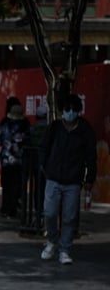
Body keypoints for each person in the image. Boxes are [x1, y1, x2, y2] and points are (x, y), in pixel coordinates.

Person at [39, 93, 97, 265]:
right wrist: (45, 167)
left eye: (73, 110)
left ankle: (64, 249)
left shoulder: (85, 130)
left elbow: (91, 156)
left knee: (70, 217)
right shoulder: (55, 127)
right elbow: (43, 147)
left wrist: (89, 178)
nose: (70, 112)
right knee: (49, 213)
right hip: (53, 178)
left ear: (79, 111)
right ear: (62, 111)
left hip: (73, 180)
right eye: (67, 109)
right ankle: (51, 241)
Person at [0, 97, 31, 218]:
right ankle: (13, 208)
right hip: (20, 161)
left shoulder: (4, 123)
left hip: (6, 160)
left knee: (6, 185)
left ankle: (5, 208)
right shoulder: (25, 124)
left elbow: (0, 140)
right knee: (17, 186)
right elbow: (28, 140)